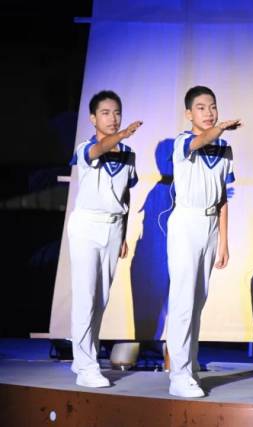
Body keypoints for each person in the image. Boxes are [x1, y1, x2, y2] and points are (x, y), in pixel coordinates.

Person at [166, 85, 241, 398]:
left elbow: (223, 197)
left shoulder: (224, 147)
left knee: (198, 301)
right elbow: (199, 141)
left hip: (210, 225)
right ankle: (178, 375)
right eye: (201, 107)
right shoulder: (183, 142)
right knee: (183, 301)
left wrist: (223, 241)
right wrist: (219, 128)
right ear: (188, 113)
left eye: (213, 106)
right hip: (187, 222)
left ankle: (190, 366)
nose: (209, 113)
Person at [68, 90, 142, 387]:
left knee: (100, 299)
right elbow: (99, 149)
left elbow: (126, 194)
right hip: (87, 226)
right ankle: (87, 367)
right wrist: (121, 134)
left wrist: (123, 232)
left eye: (117, 112)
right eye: (106, 113)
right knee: (85, 297)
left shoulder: (127, 154)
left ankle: (83, 359)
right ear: (93, 118)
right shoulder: (86, 147)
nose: (113, 118)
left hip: (113, 228)